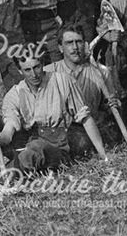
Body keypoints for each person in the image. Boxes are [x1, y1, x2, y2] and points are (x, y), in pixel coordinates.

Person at [0, 53, 109, 172]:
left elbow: (85, 118)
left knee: (38, 147)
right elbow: (8, 131)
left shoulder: (62, 81)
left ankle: (6, 177)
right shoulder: (14, 94)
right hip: (27, 147)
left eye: (36, 67)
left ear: (43, 64)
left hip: (58, 150)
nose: (34, 74)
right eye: (27, 70)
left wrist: (104, 155)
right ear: (19, 71)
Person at [47, 26, 122, 156]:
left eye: (79, 42)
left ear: (85, 44)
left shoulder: (101, 71)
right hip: (63, 130)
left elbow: (112, 107)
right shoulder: (48, 73)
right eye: (69, 43)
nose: (75, 47)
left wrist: (115, 105)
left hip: (93, 125)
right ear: (60, 47)